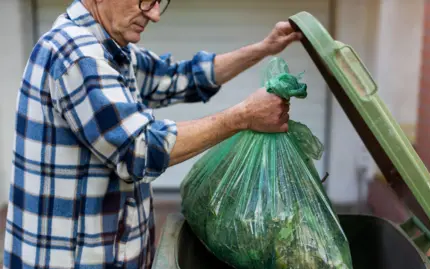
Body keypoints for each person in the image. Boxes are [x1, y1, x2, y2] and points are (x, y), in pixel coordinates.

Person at [3, 0, 302, 268]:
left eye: (160, 1)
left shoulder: (113, 50)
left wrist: (266, 47)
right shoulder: (77, 55)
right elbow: (140, 150)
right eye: (145, 0)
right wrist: (244, 117)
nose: (155, 14)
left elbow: (181, 77)